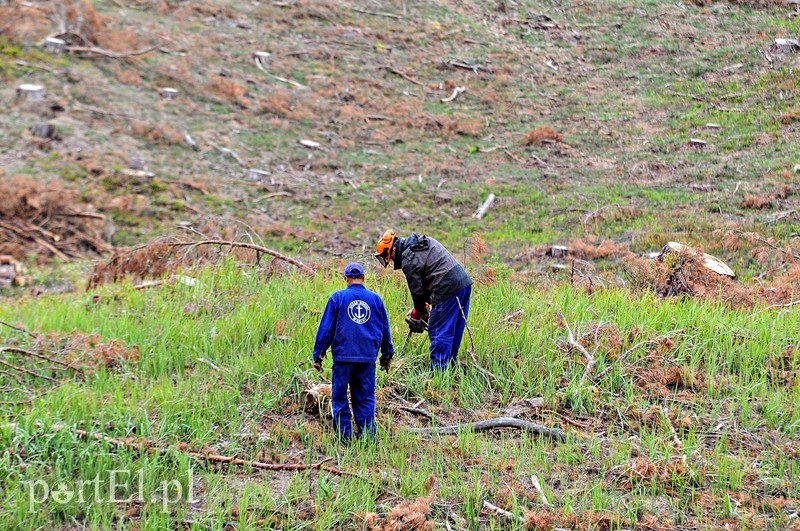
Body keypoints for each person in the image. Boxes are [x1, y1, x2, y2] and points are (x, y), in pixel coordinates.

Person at [312, 262, 394, 441]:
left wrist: (318, 354)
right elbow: (385, 329)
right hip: (367, 358)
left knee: (339, 397)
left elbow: (326, 329)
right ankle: (368, 438)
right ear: (364, 279)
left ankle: (345, 438)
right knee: (365, 399)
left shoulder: (337, 298)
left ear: (346, 279)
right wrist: (387, 354)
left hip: (343, 358)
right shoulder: (376, 300)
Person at [375, 230, 472, 371]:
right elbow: (430, 275)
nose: (391, 260)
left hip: (446, 287)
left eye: (388, 256)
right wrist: (424, 306)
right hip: (463, 283)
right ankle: (450, 367)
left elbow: (417, 292)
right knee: (454, 329)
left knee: (439, 331)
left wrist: (419, 311)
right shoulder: (423, 243)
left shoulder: (408, 258)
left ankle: (439, 373)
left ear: (394, 248)